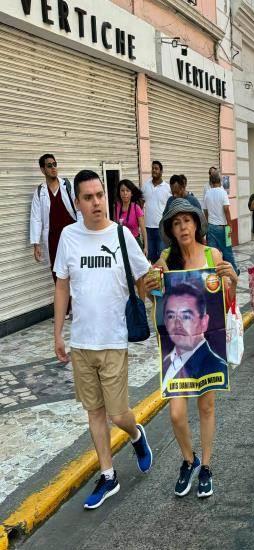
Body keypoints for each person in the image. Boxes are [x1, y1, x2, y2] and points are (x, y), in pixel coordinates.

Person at [53, 170, 153, 509]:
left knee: (118, 415)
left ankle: (137, 435)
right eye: (89, 197)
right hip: (82, 341)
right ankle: (108, 476)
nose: (97, 202)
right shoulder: (68, 236)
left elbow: (145, 276)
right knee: (94, 412)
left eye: (100, 195)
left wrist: (161, 282)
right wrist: (57, 334)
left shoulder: (122, 235)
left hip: (113, 340)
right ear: (78, 203)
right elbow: (62, 285)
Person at [153, 199, 237, 498]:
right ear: (171, 230)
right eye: (176, 223)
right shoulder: (166, 260)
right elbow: (150, 293)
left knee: (206, 405)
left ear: (196, 224)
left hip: (207, 343)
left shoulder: (212, 255)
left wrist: (232, 279)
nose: (183, 227)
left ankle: (207, 466)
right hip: (175, 350)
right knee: (176, 413)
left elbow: (227, 298)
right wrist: (151, 281)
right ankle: (189, 459)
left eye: (187, 220)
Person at [30, 154, 80, 315]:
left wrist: (83, 229)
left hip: (71, 234)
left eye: (55, 164)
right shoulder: (40, 192)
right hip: (52, 238)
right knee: (57, 271)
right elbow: (36, 218)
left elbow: (78, 208)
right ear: (42, 169)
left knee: (75, 268)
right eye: (49, 165)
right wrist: (36, 244)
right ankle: (66, 307)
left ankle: (78, 305)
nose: (53, 168)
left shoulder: (67, 185)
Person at [203, 172, 239, 274]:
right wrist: (230, 226)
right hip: (223, 228)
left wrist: (207, 225)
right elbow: (226, 210)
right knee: (227, 252)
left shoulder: (207, 193)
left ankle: (213, 273)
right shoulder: (223, 192)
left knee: (212, 253)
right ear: (220, 181)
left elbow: (205, 212)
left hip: (210, 228)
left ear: (210, 182)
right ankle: (234, 272)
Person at [141, 160, 171, 262]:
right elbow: (141, 204)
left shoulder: (167, 188)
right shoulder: (145, 186)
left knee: (162, 256)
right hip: (148, 228)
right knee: (150, 256)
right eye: (153, 168)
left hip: (161, 228)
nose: (154, 170)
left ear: (161, 171)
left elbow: (170, 207)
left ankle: (163, 277)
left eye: (156, 169)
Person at [114, 179, 146, 255]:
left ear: (131, 193)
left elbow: (143, 229)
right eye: (122, 190)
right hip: (121, 243)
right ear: (119, 192)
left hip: (135, 242)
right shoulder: (116, 207)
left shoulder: (136, 208)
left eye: (127, 191)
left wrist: (145, 247)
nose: (125, 193)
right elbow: (115, 227)